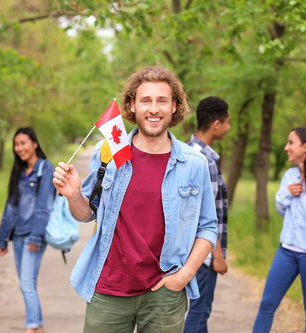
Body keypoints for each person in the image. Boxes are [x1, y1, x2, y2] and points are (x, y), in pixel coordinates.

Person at [53, 66, 218, 333]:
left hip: (165, 293)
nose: (154, 109)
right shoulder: (108, 153)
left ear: (174, 106)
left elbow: (208, 227)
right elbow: (86, 213)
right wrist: (73, 195)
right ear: (132, 105)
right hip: (108, 288)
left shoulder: (194, 164)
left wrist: (185, 275)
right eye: (146, 100)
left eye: (162, 100)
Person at [253, 127, 306, 333]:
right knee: (267, 304)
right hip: (286, 251)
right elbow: (280, 209)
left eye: (290, 142)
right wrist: (286, 193)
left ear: (305, 147)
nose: (286, 147)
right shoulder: (289, 176)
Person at [0, 127, 56, 333]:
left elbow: (44, 206)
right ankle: (38, 328)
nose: (19, 148)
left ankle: (31, 328)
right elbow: (10, 207)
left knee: (27, 283)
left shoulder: (45, 168)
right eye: (16, 144)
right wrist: (2, 240)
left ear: (34, 143)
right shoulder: (21, 172)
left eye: (23, 143)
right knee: (26, 284)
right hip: (18, 236)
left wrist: (36, 236)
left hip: (33, 236)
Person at [184, 96, 230, 333]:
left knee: (197, 312)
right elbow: (206, 216)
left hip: (188, 250)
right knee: (199, 312)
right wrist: (218, 256)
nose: (229, 128)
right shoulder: (206, 161)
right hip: (203, 255)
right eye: (227, 122)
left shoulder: (187, 152)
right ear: (216, 124)